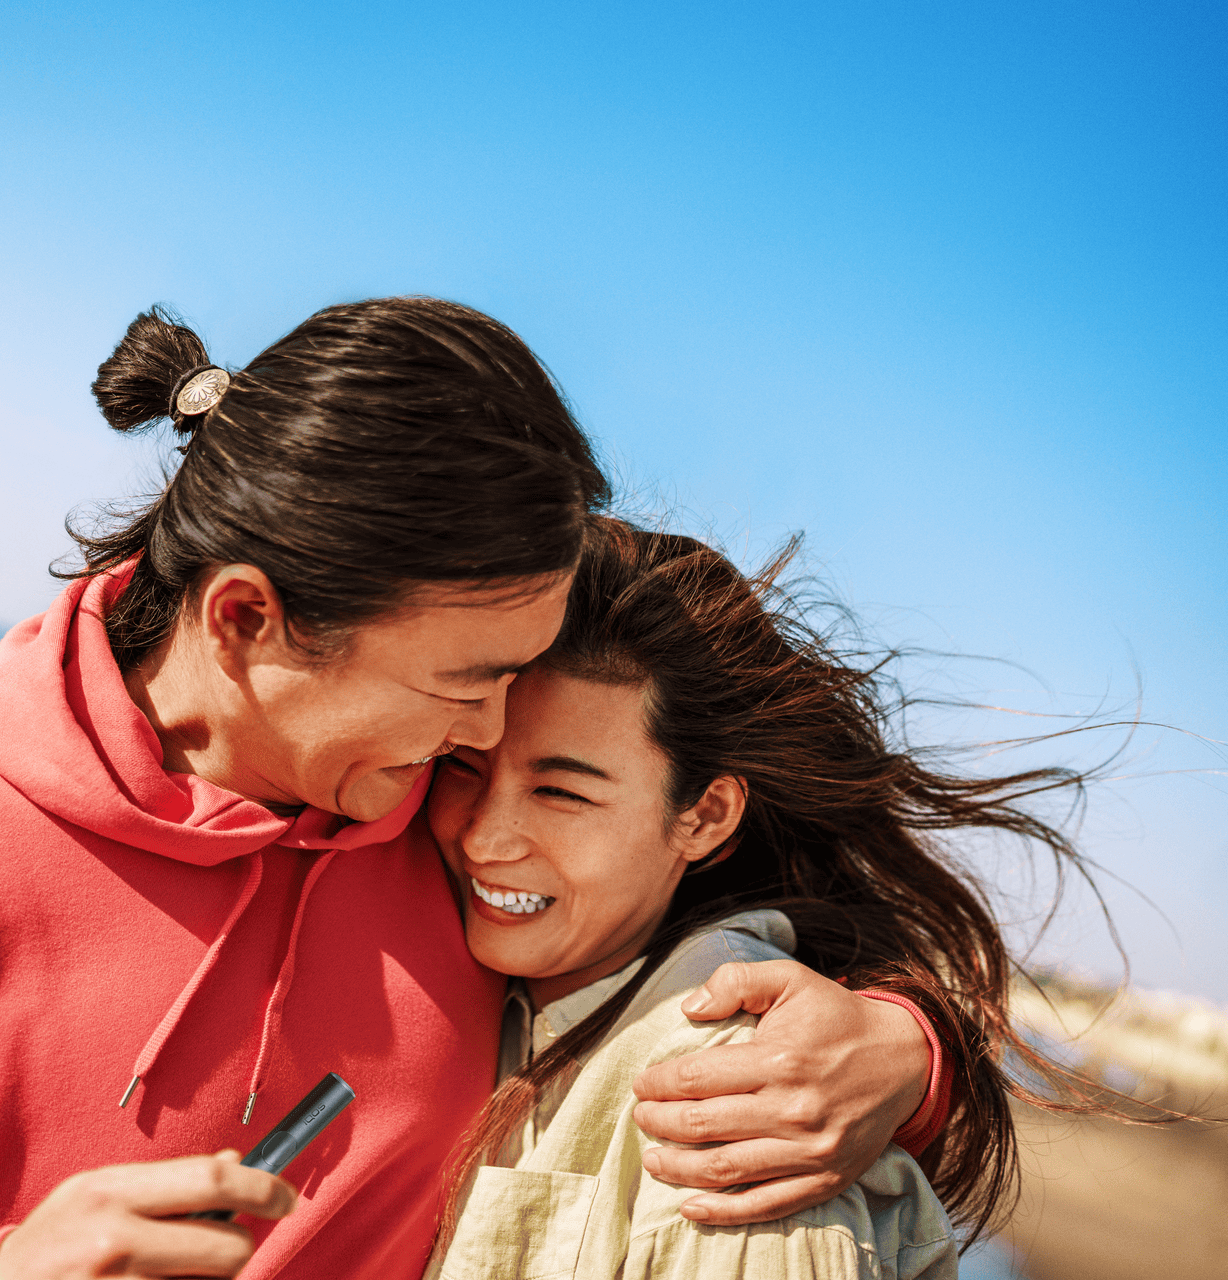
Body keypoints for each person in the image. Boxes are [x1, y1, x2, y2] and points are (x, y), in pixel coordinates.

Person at [0, 301, 938, 1280]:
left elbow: (726, 929)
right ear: (246, 624)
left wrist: (903, 1048)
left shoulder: (451, 843)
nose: (489, 734)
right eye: (464, 679)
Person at [426, 517, 1100, 1278]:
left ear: (705, 817)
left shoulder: (749, 1103)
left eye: (560, 792)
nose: (485, 838)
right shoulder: (529, 989)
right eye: (461, 765)